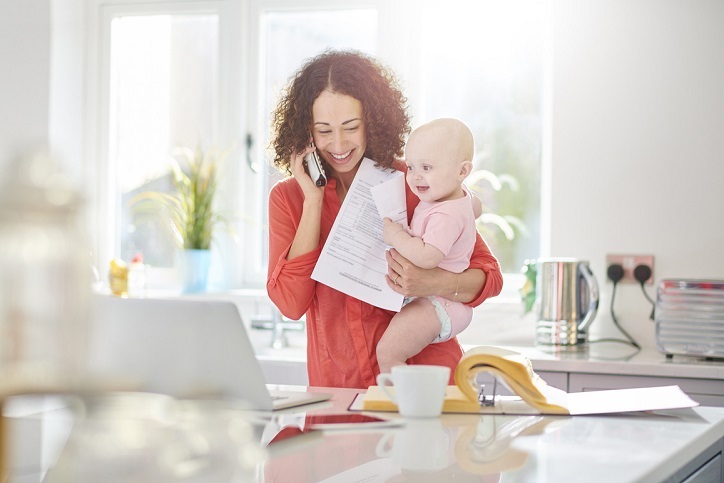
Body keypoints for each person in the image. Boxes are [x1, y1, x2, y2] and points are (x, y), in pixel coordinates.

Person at [266, 49, 502, 389]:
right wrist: (313, 200)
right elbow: (290, 303)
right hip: (341, 390)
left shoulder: (414, 180)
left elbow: (489, 277)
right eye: (324, 130)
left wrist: (432, 282)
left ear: (372, 120)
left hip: (427, 384)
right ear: (306, 131)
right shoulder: (289, 197)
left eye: (351, 127)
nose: (339, 144)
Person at [376, 118, 480, 374]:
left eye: (427, 167)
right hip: (438, 301)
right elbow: (476, 207)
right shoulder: (455, 197)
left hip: (438, 304)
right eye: (411, 167)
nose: (416, 176)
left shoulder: (446, 214)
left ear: (462, 171)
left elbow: (428, 257)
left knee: (388, 352)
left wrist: (396, 235)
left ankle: (407, 403)